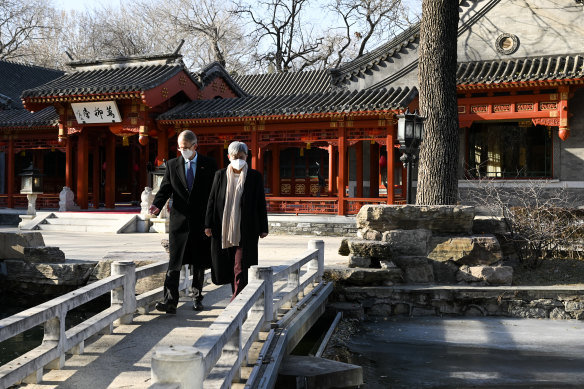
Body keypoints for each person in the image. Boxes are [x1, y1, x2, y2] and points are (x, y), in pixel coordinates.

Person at [149, 130, 217, 314]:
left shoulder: (209, 165)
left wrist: (214, 219)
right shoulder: (172, 165)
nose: (183, 151)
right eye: (180, 148)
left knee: (199, 262)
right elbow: (165, 189)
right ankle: (170, 302)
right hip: (179, 221)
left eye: (186, 147)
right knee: (174, 262)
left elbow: (214, 194)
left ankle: (197, 297)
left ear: (195, 146)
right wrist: (156, 205)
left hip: (201, 221)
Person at [204, 141, 269, 301]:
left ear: (246, 157)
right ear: (229, 157)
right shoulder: (219, 175)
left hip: (246, 228)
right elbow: (212, 200)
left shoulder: (254, 177)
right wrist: (208, 224)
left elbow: (260, 202)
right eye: (235, 156)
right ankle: (237, 292)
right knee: (228, 264)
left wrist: (263, 227)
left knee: (241, 264)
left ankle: (237, 298)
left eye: (241, 156)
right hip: (223, 228)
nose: (238, 159)